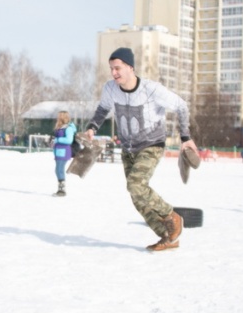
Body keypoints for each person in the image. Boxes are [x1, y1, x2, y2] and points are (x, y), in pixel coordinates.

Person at [84, 47, 198, 251]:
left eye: (117, 68)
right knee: (136, 195)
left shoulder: (151, 89)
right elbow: (103, 109)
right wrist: (92, 128)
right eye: (111, 68)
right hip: (128, 148)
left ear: (130, 67)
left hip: (151, 145)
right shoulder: (110, 89)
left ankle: (173, 217)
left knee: (136, 185)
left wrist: (185, 137)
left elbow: (181, 106)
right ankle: (167, 237)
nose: (114, 73)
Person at [51, 110, 76, 196]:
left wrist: (57, 140)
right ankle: (60, 188)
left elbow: (69, 140)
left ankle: (62, 190)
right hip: (58, 151)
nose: (57, 118)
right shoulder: (60, 127)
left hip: (64, 151)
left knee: (59, 169)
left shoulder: (68, 128)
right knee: (57, 170)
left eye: (59, 116)